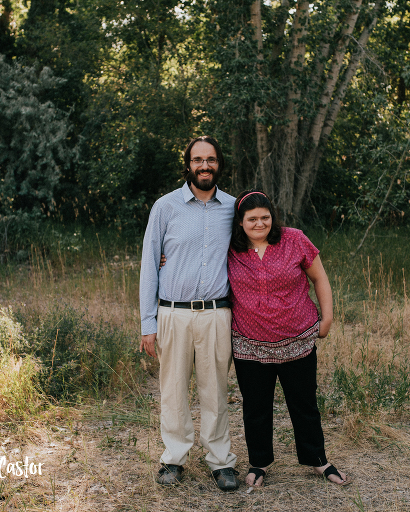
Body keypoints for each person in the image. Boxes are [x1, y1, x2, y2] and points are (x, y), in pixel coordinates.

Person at [227, 190, 351, 487]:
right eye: (252, 219)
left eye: (265, 217)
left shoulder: (294, 239)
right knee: (256, 407)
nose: (260, 224)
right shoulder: (229, 247)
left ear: (273, 217)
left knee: (304, 404)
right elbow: (195, 259)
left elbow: (319, 278)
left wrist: (328, 317)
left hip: (296, 338)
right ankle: (259, 463)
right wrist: (166, 259)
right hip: (249, 342)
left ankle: (318, 461)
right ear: (240, 222)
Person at [138, 136, 239, 491]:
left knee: (215, 391)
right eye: (198, 159)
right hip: (173, 314)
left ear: (219, 165)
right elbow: (150, 264)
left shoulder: (233, 208)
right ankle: (173, 458)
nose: (205, 165)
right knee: (173, 390)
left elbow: (258, 239)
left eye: (211, 159)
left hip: (216, 314)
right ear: (188, 165)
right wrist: (147, 323)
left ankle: (221, 461)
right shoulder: (165, 207)